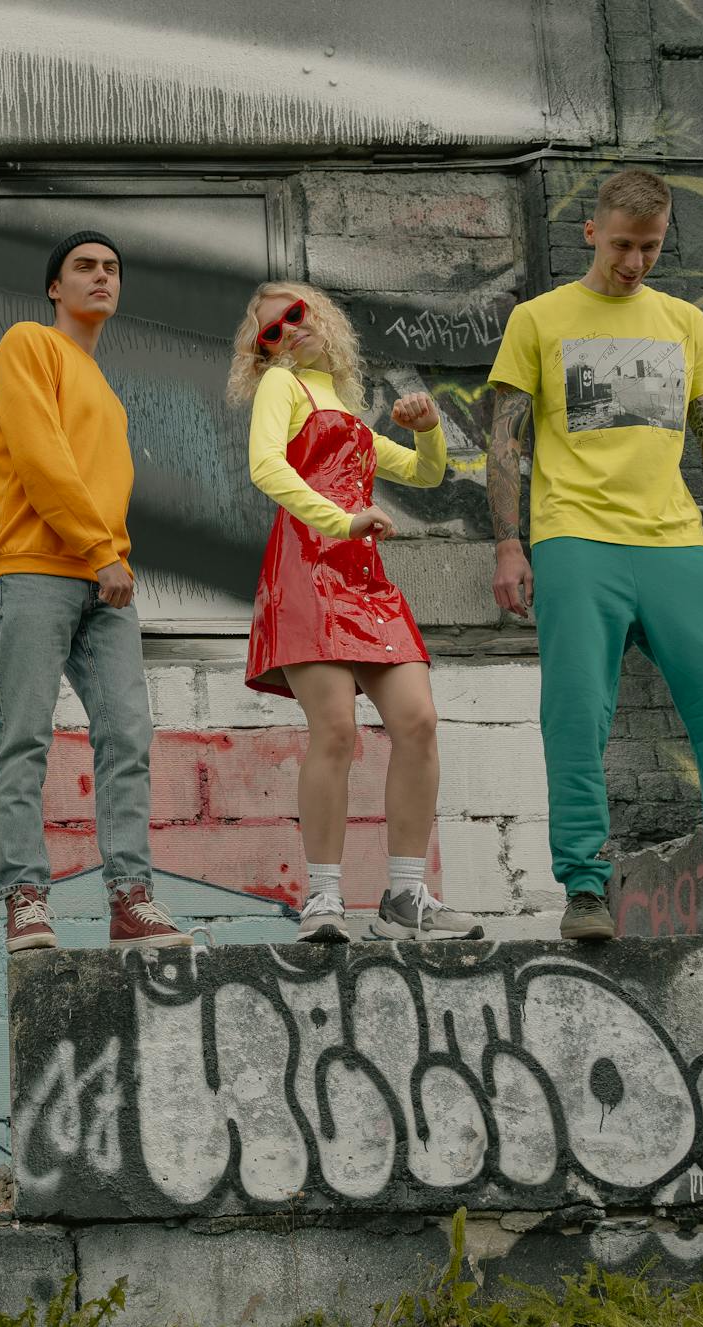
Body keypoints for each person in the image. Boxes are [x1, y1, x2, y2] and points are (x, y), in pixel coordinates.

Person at [485, 168, 703, 939]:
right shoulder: (539, 319)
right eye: (620, 245)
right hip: (576, 538)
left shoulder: (683, 320)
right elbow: (504, 437)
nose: (633, 263)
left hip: (677, 538)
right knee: (577, 714)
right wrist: (508, 545)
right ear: (591, 232)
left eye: (648, 248)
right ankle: (585, 889)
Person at [228, 283, 481, 943]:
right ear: (262, 352)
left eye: (295, 315)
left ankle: (404, 894)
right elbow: (265, 468)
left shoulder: (342, 404)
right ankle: (324, 897)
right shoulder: (281, 388)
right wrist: (343, 520)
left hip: (362, 579)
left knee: (418, 721)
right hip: (306, 570)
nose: (286, 331)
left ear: (321, 317)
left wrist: (428, 436)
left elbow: (425, 476)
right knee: (336, 730)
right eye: (270, 332)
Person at [0, 229, 190, 956]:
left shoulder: (105, 389)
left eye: (112, 268)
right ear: (54, 287)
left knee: (128, 732)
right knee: (23, 735)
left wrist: (109, 557)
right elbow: (41, 459)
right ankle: (25, 898)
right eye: (85, 267)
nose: (102, 276)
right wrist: (103, 551)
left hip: (105, 583)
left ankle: (130, 898)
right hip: (39, 566)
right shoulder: (28, 345)